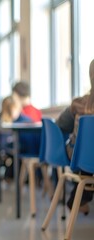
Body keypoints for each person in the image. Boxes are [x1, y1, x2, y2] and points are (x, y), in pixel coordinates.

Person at [56, 59, 94, 214]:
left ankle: (80, 196)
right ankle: (81, 196)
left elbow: (60, 125)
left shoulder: (78, 103)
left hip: (77, 157)